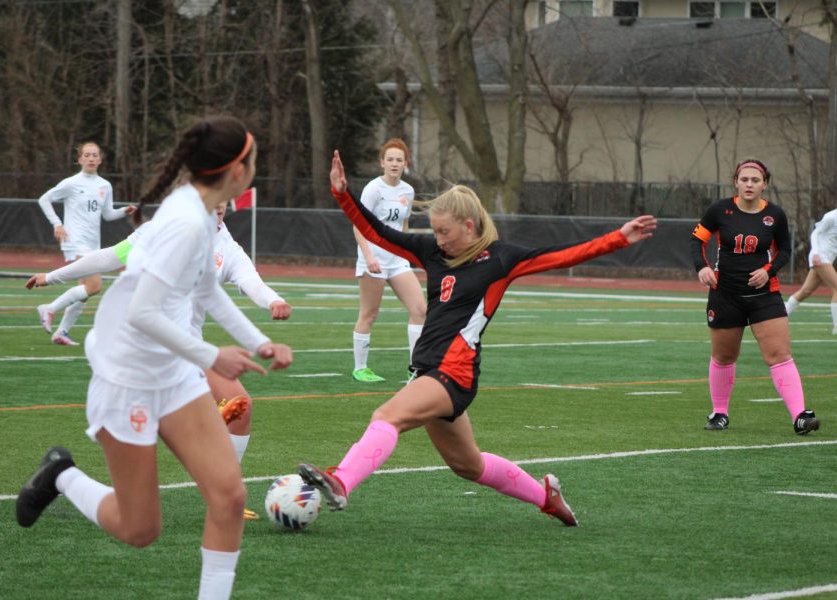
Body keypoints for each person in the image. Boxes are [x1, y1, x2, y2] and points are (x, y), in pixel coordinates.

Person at [296, 150, 658, 527]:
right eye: (434, 231)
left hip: (454, 372)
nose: (437, 239)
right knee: (468, 465)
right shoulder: (433, 252)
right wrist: (343, 194)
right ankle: (546, 497)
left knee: (387, 416)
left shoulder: (500, 259)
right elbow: (377, 233)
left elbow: (563, 255)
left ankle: (341, 481)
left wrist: (617, 239)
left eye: (444, 232)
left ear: (468, 226)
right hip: (430, 373)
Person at [16, 117, 292, 600]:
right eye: (252, 158)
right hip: (128, 375)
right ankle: (61, 475)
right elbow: (142, 312)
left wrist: (257, 341)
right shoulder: (184, 223)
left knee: (228, 498)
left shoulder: (202, 216)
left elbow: (208, 289)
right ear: (234, 171)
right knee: (139, 529)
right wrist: (214, 355)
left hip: (174, 371)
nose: (256, 167)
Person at [24, 200, 292, 520]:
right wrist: (52, 276)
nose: (219, 202)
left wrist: (274, 300)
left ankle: (222, 493)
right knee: (136, 517)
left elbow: (252, 282)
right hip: (135, 353)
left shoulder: (227, 248)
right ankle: (60, 475)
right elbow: (110, 256)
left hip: (184, 352)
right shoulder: (164, 229)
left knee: (239, 403)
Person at [690, 158, 820, 435]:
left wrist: (768, 269)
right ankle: (719, 413)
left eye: (755, 180)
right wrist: (701, 267)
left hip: (764, 295)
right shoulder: (719, 210)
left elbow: (784, 250)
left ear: (765, 184)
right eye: (744, 179)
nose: (749, 184)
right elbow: (696, 241)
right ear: (736, 182)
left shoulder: (775, 215)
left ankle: (799, 415)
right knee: (724, 356)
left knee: (780, 354)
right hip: (726, 294)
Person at [36, 141, 135, 346]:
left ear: (100, 159)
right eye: (87, 155)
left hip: (93, 244)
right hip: (75, 242)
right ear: (79, 159)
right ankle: (50, 308)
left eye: (94, 155)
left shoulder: (104, 185)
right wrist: (57, 224)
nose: (91, 158)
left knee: (84, 290)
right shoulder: (71, 183)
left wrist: (124, 210)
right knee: (94, 285)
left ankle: (62, 332)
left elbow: (107, 215)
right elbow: (44, 199)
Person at [350, 138, 426, 382]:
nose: (394, 164)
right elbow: (358, 226)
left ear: (406, 164)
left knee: (420, 309)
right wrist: (369, 256)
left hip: (397, 260)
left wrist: (407, 252)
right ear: (382, 162)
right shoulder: (373, 189)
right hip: (374, 259)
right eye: (390, 159)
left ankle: (415, 367)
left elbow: (403, 224)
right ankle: (360, 368)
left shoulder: (408, 190)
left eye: (399, 160)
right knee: (369, 313)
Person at [784, 207, 837, 334]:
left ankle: (778, 317)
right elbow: (815, 233)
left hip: (828, 258)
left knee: (805, 291)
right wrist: (816, 254)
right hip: (820, 257)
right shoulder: (832, 216)